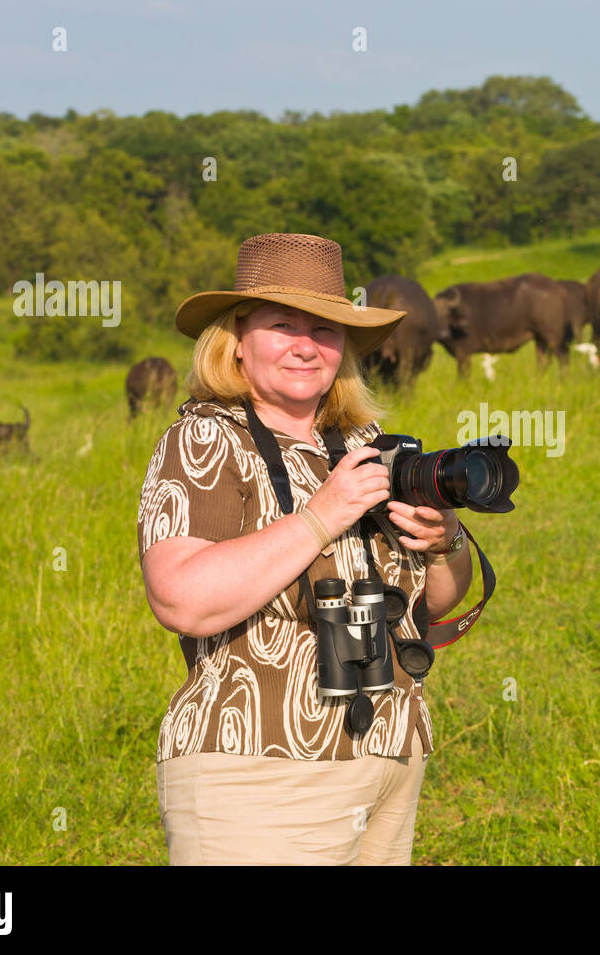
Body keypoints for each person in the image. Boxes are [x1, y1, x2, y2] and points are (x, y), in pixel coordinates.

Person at [137, 233, 474, 864]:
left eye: (325, 329)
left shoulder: (363, 442)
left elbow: (429, 604)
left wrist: (443, 540)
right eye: (282, 325)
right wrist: (322, 516)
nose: (305, 345)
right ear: (236, 340)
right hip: (259, 768)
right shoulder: (206, 441)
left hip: (391, 757)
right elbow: (181, 599)